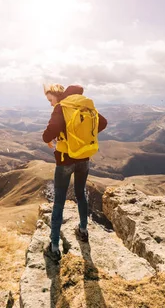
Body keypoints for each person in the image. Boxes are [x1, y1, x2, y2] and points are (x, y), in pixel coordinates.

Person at [42, 84, 108, 262]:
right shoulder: (85, 105)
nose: (50, 104)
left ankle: (54, 247)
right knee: (81, 194)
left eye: (50, 100)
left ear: (58, 95)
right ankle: (83, 230)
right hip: (84, 157)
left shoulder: (61, 108)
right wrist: (84, 137)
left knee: (59, 201)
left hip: (65, 160)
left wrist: (53, 137)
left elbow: (49, 133)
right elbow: (103, 122)